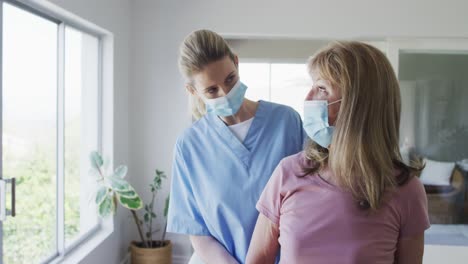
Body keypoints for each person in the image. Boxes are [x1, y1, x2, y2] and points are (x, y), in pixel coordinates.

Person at [246, 41, 430, 264]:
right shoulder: (289, 172)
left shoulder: (406, 190)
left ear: (357, 105)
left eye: (322, 88)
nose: (308, 99)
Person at [166, 29, 305, 264]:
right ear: (193, 91)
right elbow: (196, 229)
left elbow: (307, 200)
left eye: (230, 79)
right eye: (212, 90)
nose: (225, 92)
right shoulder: (189, 146)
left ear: (237, 63)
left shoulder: (286, 122)